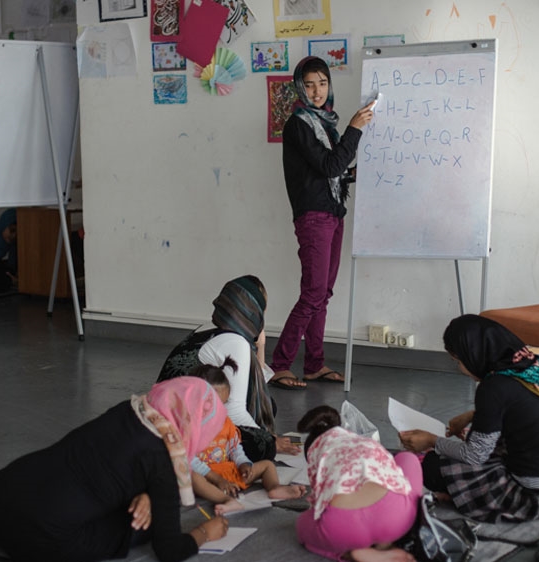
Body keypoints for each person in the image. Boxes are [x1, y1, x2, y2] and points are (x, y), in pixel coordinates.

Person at [0, 377, 231, 562]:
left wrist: (147, 493)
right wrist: (205, 532)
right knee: (141, 525)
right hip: (40, 538)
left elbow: (119, 464)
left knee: (48, 488)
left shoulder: (129, 409)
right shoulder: (165, 461)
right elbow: (169, 550)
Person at [399, 314, 539, 522]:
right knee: (479, 448)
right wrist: (473, 416)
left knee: (430, 467)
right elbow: (522, 409)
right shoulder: (531, 366)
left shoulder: (492, 386)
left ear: (473, 354)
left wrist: (432, 440)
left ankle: (461, 497)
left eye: (458, 361)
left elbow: (474, 456)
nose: (461, 369)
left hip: (535, 490)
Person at [270, 56, 376, 388]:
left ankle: (314, 364)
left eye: (323, 83)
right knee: (313, 293)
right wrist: (354, 129)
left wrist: (359, 171)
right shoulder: (298, 124)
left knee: (322, 294)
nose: (317, 91)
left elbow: (333, 172)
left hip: (332, 213)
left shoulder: (325, 123)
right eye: (310, 85)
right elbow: (330, 166)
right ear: (300, 88)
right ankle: (279, 365)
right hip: (314, 217)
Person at [158, 275, 300, 461]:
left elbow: (255, 388)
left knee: (268, 406)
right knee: (260, 444)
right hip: (182, 431)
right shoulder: (235, 342)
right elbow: (234, 410)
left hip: (165, 416)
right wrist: (269, 441)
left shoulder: (208, 328)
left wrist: (260, 344)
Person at [296, 405, 421, 562]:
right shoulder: (365, 443)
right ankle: (387, 542)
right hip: (397, 520)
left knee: (302, 526)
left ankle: (348, 553)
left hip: (345, 529)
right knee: (409, 458)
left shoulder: (321, 458)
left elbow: (319, 506)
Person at [189, 358, 308, 515]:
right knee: (193, 478)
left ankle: (274, 488)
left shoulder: (225, 422)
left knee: (267, 465)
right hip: (206, 476)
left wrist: (244, 463)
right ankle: (225, 499)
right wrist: (217, 480)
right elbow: (188, 460)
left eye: (223, 404)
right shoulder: (188, 425)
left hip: (227, 472)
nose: (219, 411)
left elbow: (234, 448)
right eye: (213, 405)